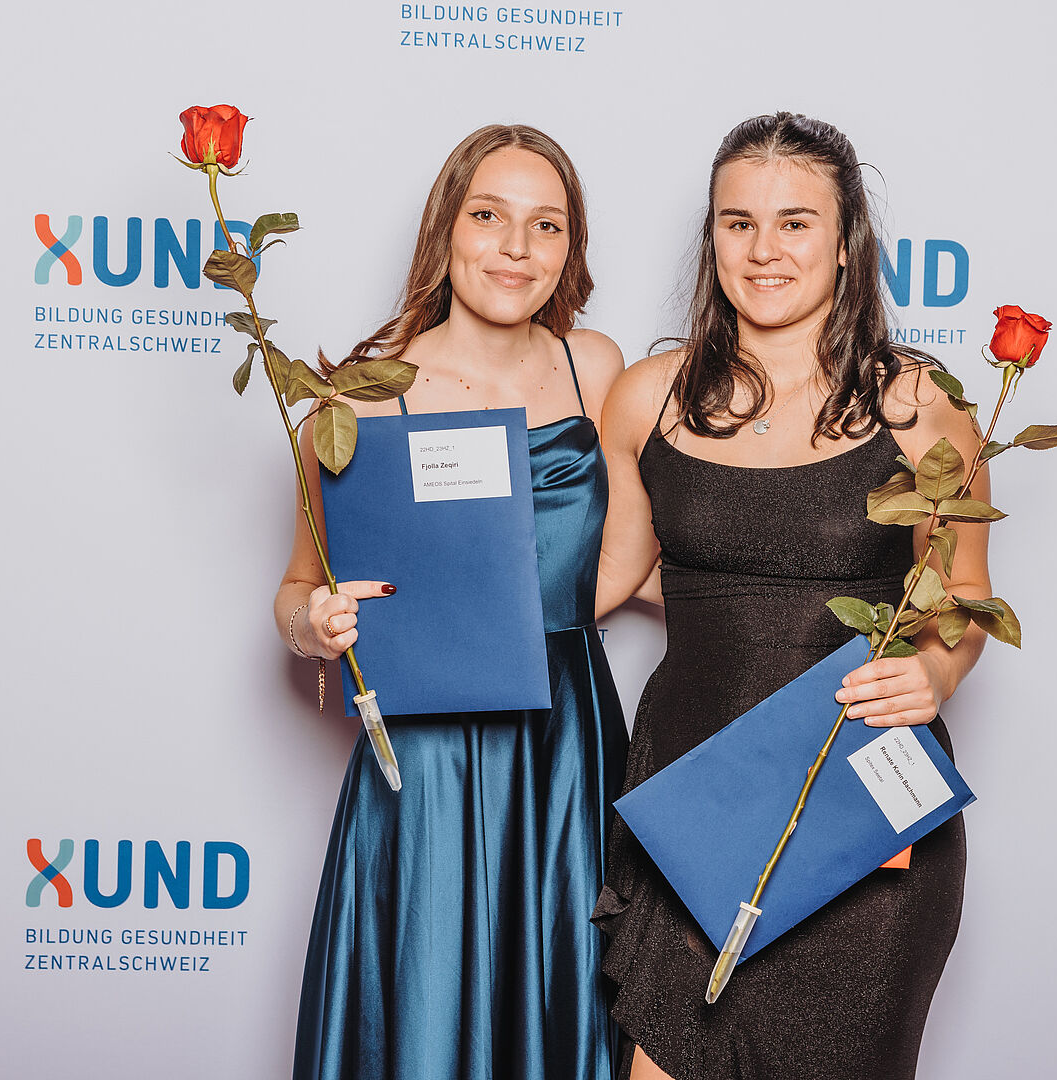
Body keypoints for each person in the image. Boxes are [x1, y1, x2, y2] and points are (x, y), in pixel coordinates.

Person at [591, 112, 992, 1080]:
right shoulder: (647, 397)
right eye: (738, 223)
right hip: (697, 805)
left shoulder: (920, 407)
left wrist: (933, 674)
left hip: (863, 817)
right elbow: (607, 579)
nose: (762, 249)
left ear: (846, 241)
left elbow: (963, 603)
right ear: (713, 238)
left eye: (794, 223)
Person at [275, 124, 629, 1080]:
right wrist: (316, 624)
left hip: (566, 738)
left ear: (569, 247)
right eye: (488, 216)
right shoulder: (354, 399)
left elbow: (645, 548)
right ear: (445, 229)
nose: (516, 248)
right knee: (426, 993)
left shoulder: (595, 368)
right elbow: (296, 592)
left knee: (563, 986)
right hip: (426, 753)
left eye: (546, 224)